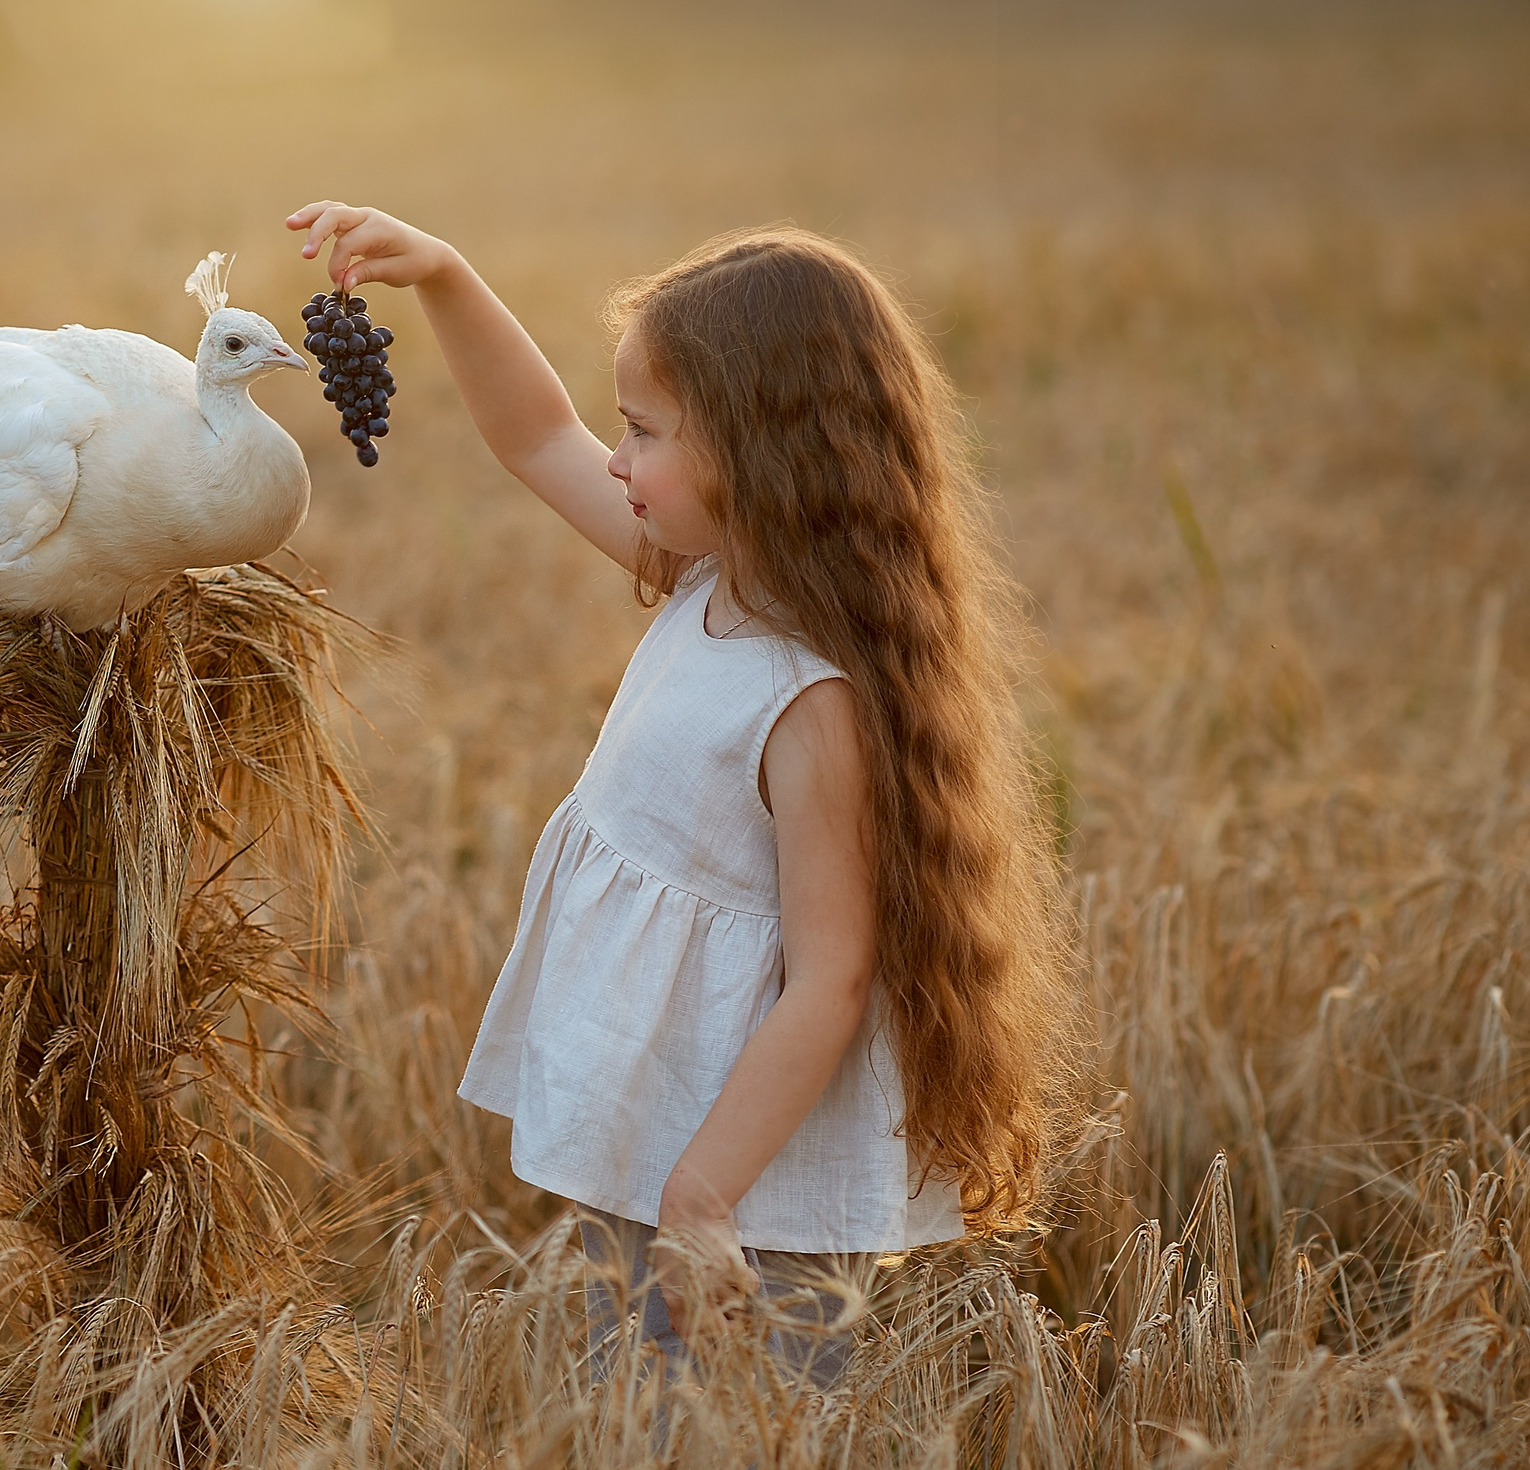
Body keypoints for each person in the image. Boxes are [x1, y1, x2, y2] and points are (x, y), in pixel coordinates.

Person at [286, 203, 1077, 1387]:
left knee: (737, 1452)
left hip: (746, 1190)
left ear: (762, 455)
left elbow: (833, 973)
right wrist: (445, 276)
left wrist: (704, 1194)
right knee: (639, 1432)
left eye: (645, 432)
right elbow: (534, 436)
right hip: (671, 1144)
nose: (614, 458)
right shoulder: (710, 580)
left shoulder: (812, 700)